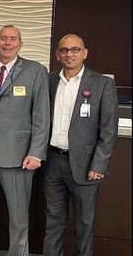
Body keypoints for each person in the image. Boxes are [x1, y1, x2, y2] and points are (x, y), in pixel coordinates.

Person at [0, 24, 50, 256]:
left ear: (20, 44)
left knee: (18, 215)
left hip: (19, 154)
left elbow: (41, 115)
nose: (7, 42)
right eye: (3, 38)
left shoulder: (36, 71)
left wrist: (36, 152)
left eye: (13, 39)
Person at [43, 34, 118, 256]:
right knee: (53, 221)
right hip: (52, 163)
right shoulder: (48, 81)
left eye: (75, 50)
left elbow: (109, 129)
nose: (69, 54)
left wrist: (99, 164)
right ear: (57, 54)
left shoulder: (102, 83)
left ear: (85, 53)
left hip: (87, 166)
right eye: (64, 50)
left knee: (85, 223)